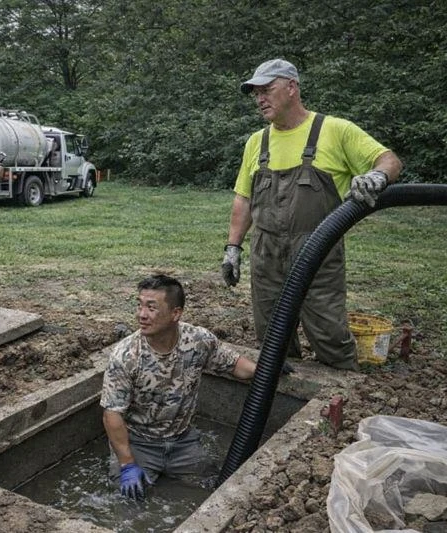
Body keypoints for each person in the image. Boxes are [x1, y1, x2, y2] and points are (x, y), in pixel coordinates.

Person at [221, 58, 403, 371]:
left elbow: (389, 160)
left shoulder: (334, 130)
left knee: (329, 333)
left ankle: (341, 398)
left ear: (292, 88)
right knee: (272, 338)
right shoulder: (256, 142)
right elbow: (244, 199)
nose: (260, 98)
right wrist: (233, 248)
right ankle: (283, 392)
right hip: (265, 256)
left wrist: (377, 177)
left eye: (267, 89)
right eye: (255, 93)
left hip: (317, 252)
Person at [100, 274, 258, 499]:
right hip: (139, 443)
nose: (141, 315)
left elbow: (234, 365)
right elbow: (112, 415)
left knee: (215, 486)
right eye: (140, 305)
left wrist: (266, 368)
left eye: (151, 307)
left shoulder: (197, 340)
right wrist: (127, 464)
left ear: (175, 313)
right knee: (127, 499)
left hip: (182, 441)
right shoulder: (126, 355)